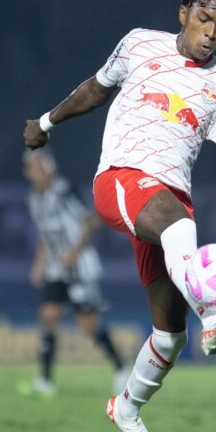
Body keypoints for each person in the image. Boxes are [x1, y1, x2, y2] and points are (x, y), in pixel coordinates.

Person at [22, 0, 216, 432]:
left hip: (169, 207)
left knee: (168, 338)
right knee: (181, 227)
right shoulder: (139, 45)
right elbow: (96, 89)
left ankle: (126, 409)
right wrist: (45, 122)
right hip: (122, 179)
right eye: (204, 19)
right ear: (183, 11)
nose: (211, 32)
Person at [19, 147, 129, 399]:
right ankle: (46, 380)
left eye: (36, 166)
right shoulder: (34, 199)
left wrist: (73, 253)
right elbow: (44, 235)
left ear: (48, 167)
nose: (32, 172)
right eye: (30, 168)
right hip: (56, 269)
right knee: (48, 316)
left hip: (81, 268)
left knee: (89, 325)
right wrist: (39, 263)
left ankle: (121, 369)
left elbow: (92, 222)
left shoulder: (65, 191)